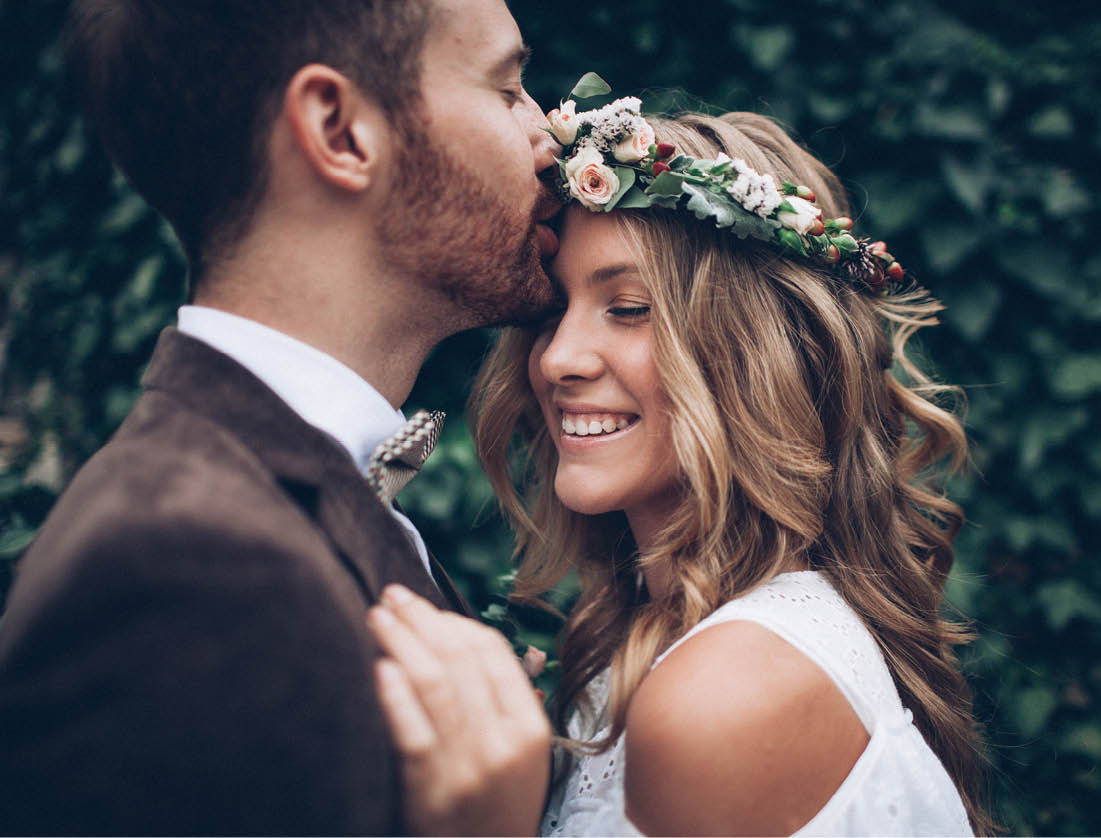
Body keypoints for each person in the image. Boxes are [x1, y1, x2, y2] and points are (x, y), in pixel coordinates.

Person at [0, 0, 560, 833]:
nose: (549, 135)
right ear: (339, 130)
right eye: (507, 87)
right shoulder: (179, 566)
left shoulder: (282, 492)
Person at [367, 96, 995, 835]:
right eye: (549, 313)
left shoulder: (725, 693)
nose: (558, 359)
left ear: (758, 355)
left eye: (628, 308)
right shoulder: (660, 641)